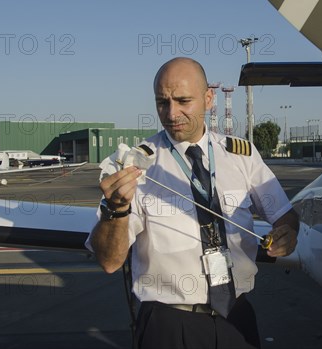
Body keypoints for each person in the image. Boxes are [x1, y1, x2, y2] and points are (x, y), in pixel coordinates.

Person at [86, 57, 299, 349]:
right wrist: (116, 210)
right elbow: (109, 261)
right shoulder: (135, 165)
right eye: (162, 102)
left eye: (183, 100)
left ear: (208, 99)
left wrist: (287, 233)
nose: (172, 113)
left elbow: (284, 215)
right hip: (170, 325)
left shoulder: (242, 155)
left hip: (236, 318)